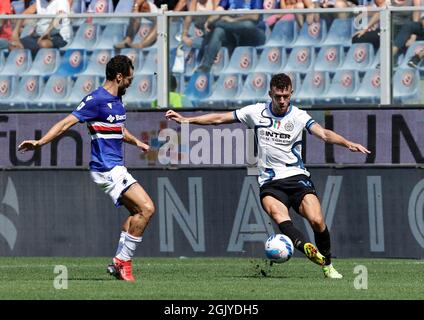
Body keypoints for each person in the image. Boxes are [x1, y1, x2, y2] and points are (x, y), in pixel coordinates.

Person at [165, 73, 371, 279]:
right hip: (270, 182)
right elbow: (219, 118)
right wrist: (186, 120)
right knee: (281, 217)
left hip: (297, 177)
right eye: (278, 96)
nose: (282, 101)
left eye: (286, 96)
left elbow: (324, 133)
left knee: (317, 221)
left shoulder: (299, 116)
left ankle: (328, 265)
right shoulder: (255, 112)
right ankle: (308, 249)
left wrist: (348, 143)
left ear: (291, 94)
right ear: (270, 94)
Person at [18, 55, 155, 282]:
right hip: (106, 167)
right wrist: (40, 142)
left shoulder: (118, 101)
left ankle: (118, 264)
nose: (131, 82)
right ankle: (122, 261)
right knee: (148, 208)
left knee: (136, 214)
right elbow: (65, 123)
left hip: (114, 166)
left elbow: (117, 128)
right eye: (130, 78)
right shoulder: (95, 100)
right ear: (119, 77)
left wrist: (136, 142)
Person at [9, 0, 73, 56]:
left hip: (58, 37)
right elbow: (24, 14)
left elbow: (59, 18)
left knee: (43, 43)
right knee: (13, 45)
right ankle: (24, 66)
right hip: (38, 36)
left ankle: (44, 67)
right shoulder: (40, 2)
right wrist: (15, 32)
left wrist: (47, 33)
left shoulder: (61, 1)